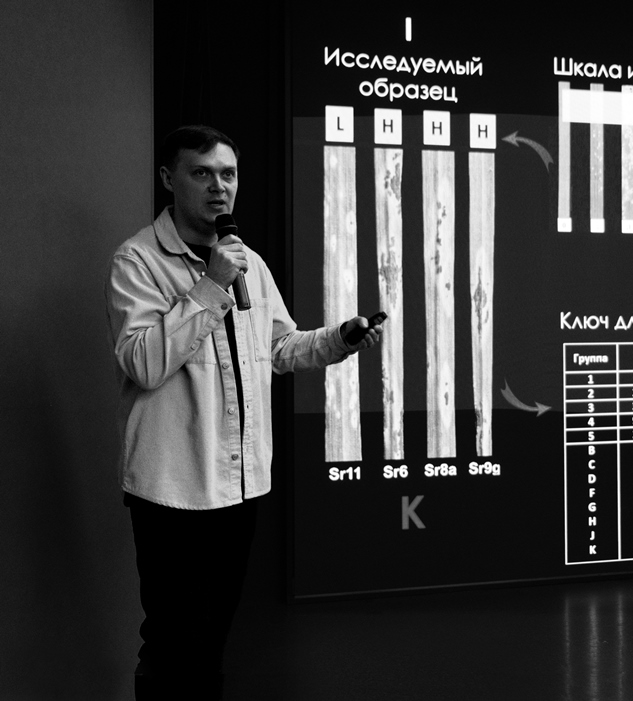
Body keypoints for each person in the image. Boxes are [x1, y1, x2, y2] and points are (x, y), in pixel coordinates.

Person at [105, 125, 381, 700]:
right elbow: (143, 363)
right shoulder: (138, 260)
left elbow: (278, 348)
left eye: (228, 174)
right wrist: (210, 286)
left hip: (238, 485)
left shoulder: (247, 259)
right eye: (202, 173)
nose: (219, 187)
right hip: (173, 488)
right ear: (168, 179)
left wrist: (341, 338)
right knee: (172, 642)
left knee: (211, 640)